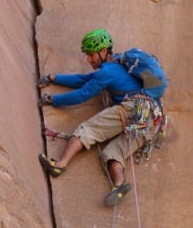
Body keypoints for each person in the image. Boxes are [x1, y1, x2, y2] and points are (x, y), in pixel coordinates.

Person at [38, 28, 162, 206]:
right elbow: (85, 79)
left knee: (87, 130)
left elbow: (81, 94)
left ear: (103, 51)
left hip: (134, 108)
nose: (88, 60)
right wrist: (53, 78)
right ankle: (119, 185)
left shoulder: (108, 71)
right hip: (152, 121)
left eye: (90, 55)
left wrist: (53, 99)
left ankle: (59, 165)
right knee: (112, 153)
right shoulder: (117, 65)